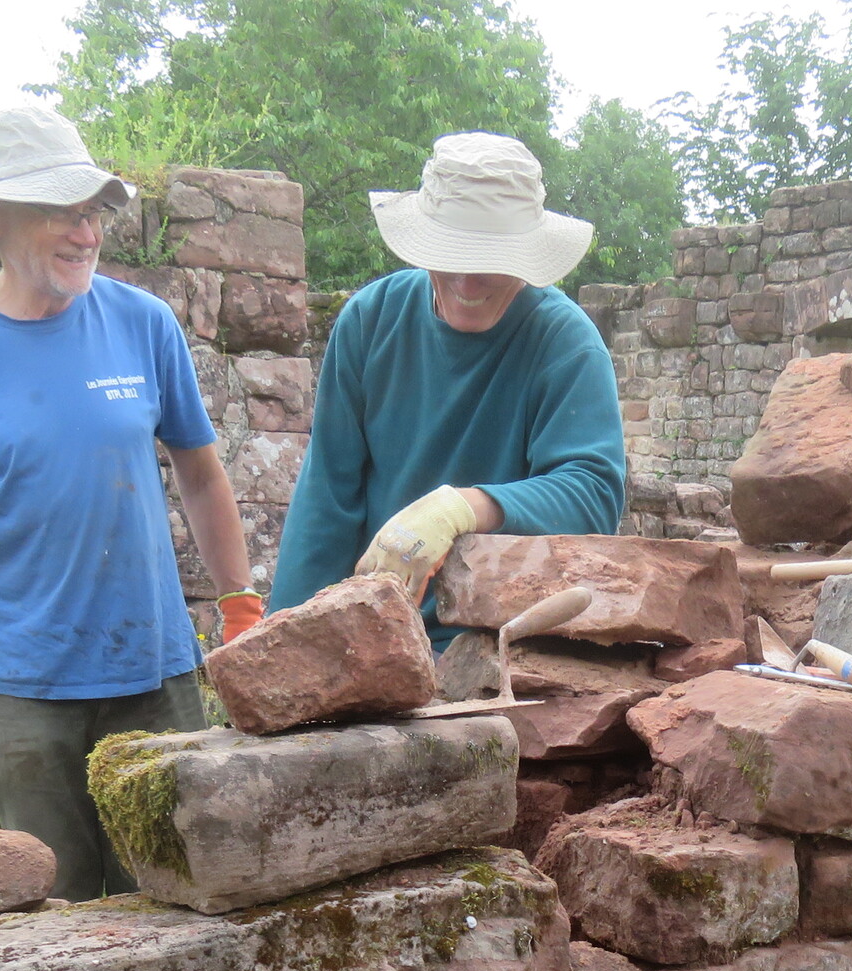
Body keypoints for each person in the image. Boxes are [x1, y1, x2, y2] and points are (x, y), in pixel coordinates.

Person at [0, 104, 261, 900]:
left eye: (93, 213)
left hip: (153, 676)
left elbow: (200, 474)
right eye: (61, 212)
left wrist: (242, 609)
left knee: (181, 899)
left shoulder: (142, 324)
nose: (86, 234)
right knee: (56, 910)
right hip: (25, 694)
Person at [268, 133, 626, 625]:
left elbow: (591, 495)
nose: (466, 281)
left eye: (490, 260)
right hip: (379, 631)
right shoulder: (371, 321)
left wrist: (464, 507)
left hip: (501, 636)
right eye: (452, 253)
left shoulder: (564, 343)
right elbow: (326, 499)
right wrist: (288, 631)